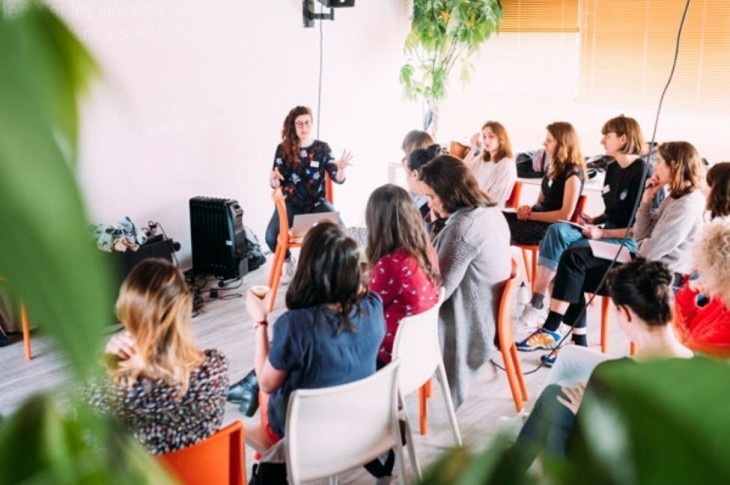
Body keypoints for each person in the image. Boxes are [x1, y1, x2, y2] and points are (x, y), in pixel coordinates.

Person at [517, 141, 706, 357]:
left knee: (573, 265)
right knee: (570, 264)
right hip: (643, 263)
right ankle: (576, 343)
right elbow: (641, 233)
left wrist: (642, 239)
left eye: (660, 163)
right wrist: (646, 201)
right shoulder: (674, 196)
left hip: (659, 278)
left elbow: (646, 249)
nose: (655, 168)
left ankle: (554, 330)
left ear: (675, 166)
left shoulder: (687, 205)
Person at [510, 258, 692, 469]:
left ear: (625, 314)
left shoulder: (616, 375)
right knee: (558, 395)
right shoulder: (697, 364)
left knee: (553, 401)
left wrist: (590, 416)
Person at [246, 222, 385, 444]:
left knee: (264, 388)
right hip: (358, 420)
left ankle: (273, 461)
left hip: (304, 434)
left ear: (307, 268)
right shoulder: (374, 306)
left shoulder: (294, 326)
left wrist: (260, 321)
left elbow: (266, 384)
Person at [519, 116, 647, 336]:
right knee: (560, 241)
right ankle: (564, 328)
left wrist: (601, 232)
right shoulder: (614, 168)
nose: (602, 141)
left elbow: (640, 228)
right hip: (603, 233)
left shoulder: (642, 172)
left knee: (567, 252)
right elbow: (612, 212)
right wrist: (594, 220)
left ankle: (551, 323)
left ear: (623, 139)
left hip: (624, 242)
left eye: (607, 136)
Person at [87, 259, 228, 455]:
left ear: (128, 313)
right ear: (184, 309)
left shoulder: (106, 390)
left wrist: (106, 360)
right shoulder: (215, 370)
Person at [419, 155, 511, 408]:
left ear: (449, 193)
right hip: (490, 310)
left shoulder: (464, 228)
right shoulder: (490, 212)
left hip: (472, 321)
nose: (429, 204)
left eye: (432, 196)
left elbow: (438, 292)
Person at [264, 106, 352, 280]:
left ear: (312, 124)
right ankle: (289, 261)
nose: (304, 128)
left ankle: (333, 270)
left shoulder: (322, 148)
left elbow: (338, 178)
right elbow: (276, 183)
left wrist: (341, 169)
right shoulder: (283, 149)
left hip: (317, 203)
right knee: (270, 236)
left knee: (342, 231)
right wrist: (273, 180)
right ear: (293, 127)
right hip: (291, 203)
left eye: (307, 123)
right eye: (299, 124)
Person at [365, 184, 441, 366]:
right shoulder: (426, 250)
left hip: (388, 356)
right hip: (420, 349)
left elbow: (367, 311)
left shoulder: (391, 264)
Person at [504, 122, 586, 246]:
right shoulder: (551, 166)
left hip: (550, 226)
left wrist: (532, 216)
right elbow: (539, 203)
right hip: (537, 218)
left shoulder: (573, 172)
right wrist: (527, 209)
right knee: (497, 218)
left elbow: (565, 215)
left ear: (562, 144)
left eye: (549, 140)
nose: (544, 143)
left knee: (499, 229)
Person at [674, 218, 730, 357]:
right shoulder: (722, 297)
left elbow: (685, 341)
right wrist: (690, 290)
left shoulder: (724, 329)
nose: (700, 271)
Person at [462, 121, 517, 207]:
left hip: (487, 209)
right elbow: (461, 171)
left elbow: (495, 198)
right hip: (473, 203)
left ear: (501, 139)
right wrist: (473, 149)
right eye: (484, 137)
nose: (486, 141)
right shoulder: (482, 158)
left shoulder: (507, 164)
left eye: (491, 136)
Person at [403, 144, 442, 219]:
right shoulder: (430, 199)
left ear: (415, 174)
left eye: (407, 173)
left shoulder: (429, 207)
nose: (406, 178)